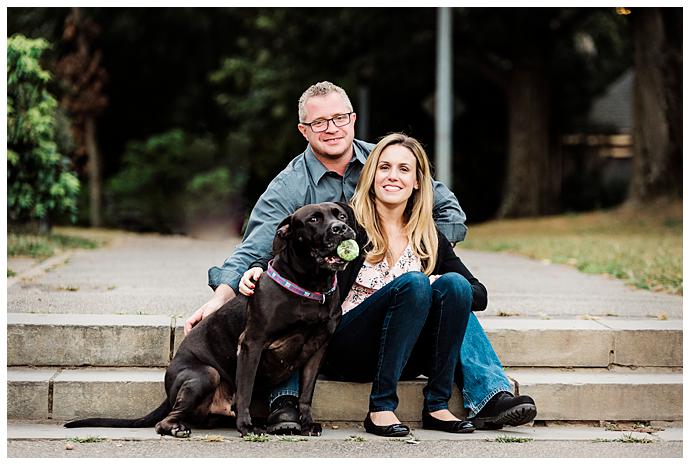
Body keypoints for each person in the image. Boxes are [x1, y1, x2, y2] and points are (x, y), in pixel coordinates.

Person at [184, 81, 536, 433]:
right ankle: (285, 401)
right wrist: (222, 294)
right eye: (319, 122)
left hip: (405, 304)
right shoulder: (289, 187)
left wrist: (423, 246)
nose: (332, 128)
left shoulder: (386, 158)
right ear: (303, 131)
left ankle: (489, 395)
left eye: (339, 117)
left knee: (449, 289)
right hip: (337, 317)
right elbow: (257, 249)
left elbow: (449, 212)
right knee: (295, 301)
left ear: (353, 118)